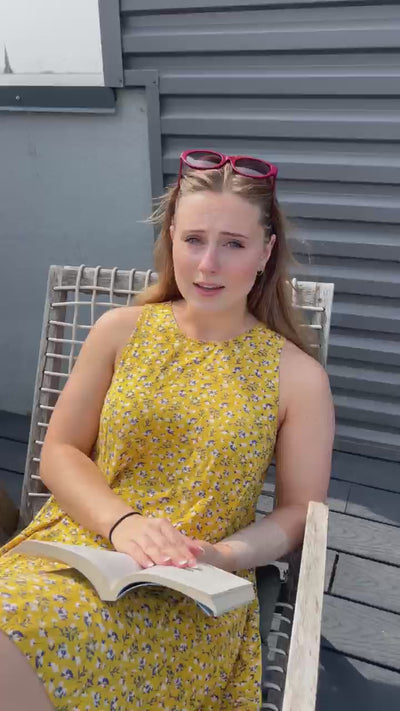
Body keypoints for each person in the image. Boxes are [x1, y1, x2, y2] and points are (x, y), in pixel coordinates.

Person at [0, 150, 335, 710]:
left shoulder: (297, 377)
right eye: (194, 239)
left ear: (266, 252)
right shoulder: (119, 331)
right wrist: (123, 523)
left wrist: (220, 556)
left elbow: (299, 513)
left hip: (189, 591)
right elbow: (60, 452)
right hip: (76, 548)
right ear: (172, 238)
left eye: (234, 244)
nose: (208, 264)